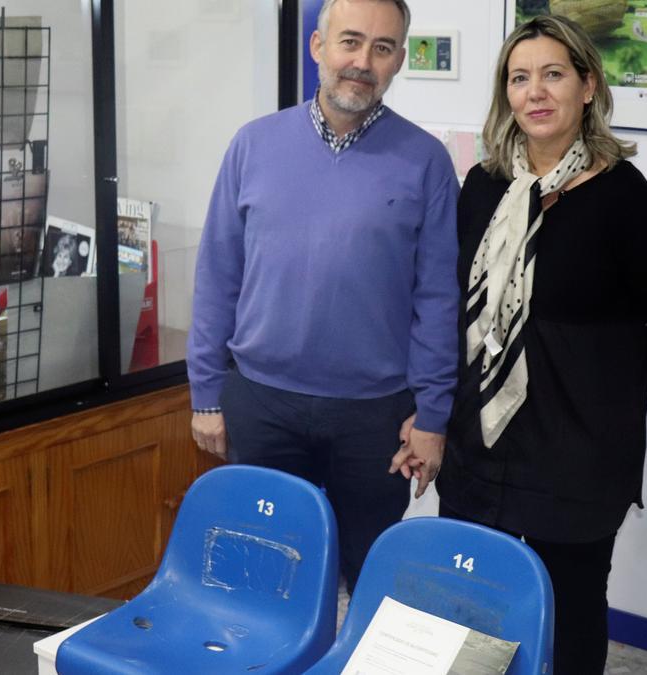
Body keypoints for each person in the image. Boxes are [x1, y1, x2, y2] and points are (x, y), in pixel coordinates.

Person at [435, 15, 647, 675]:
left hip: (576, 453)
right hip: (481, 442)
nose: (536, 92)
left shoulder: (625, 199)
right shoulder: (486, 185)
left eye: (553, 74)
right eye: (519, 78)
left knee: (571, 606)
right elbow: (456, 301)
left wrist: (591, 363)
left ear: (588, 85)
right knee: (474, 599)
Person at [187, 0, 459, 590]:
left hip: (376, 418)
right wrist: (206, 393)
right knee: (258, 577)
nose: (363, 61)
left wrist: (433, 415)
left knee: (369, 579)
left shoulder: (427, 162)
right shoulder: (252, 145)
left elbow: (437, 299)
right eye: (350, 42)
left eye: (382, 48)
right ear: (318, 47)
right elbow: (217, 277)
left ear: (398, 61)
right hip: (262, 405)